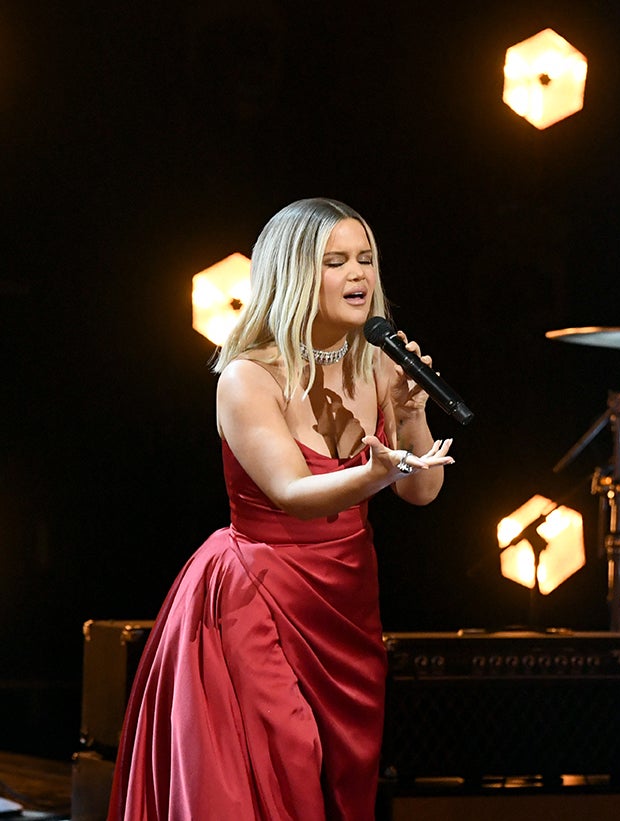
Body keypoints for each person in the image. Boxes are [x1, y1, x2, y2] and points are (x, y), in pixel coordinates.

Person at [108, 197, 455, 820]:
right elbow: (293, 495)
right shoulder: (247, 378)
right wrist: (377, 472)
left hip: (346, 600)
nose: (359, 276)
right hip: (257, 598)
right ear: (294, 274)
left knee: (337, 771)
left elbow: (420, 490)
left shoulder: (378, 361)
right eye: (336, 262)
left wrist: (410, 413)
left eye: (366, 260)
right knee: (283, 759)